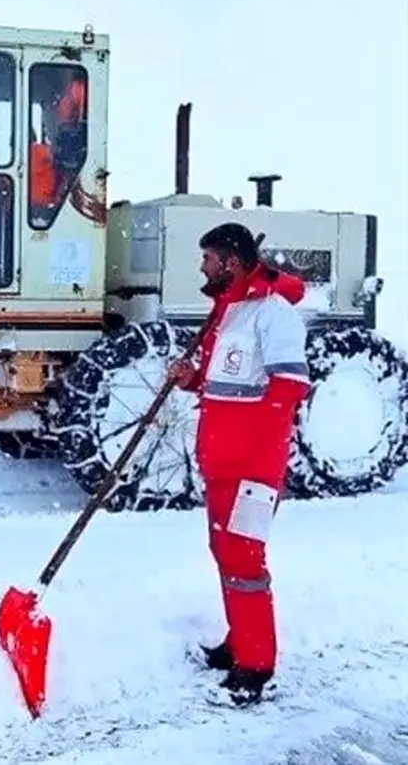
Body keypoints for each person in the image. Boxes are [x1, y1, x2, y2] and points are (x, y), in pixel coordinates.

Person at [166, 221, 311, 707]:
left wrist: (256, 455)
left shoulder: (275, 315)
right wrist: (189, 378)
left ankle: (255, 666)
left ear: (231, 260)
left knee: (245, 562)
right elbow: (221, 381)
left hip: (253, 469)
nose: (202, 267)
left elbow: (287, 388)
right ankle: (239, 641)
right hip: (221, 462)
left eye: (208, 258)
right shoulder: (228, 312)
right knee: (225, 553)